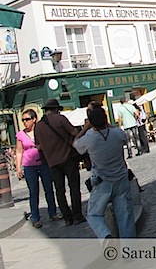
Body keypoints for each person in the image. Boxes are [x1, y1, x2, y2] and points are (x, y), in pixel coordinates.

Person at [74, 106, 136, 240]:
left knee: (94, 215)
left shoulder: (89, 139)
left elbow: (76, 144)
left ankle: (105, 235)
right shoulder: (117, 133)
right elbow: (124, 137)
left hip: (103, 182)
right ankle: (129, 250)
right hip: (121, 179)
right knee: (125, 217)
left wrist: (85, 128)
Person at [34, 98, 84, 226]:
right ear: (56, 109)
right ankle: (77, 215)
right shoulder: (60, 119)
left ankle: (67, 218)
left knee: (59, 190)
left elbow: (38, 146)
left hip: (52, 162)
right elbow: (74, 132)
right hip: (67, 158)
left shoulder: (38, 126)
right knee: (74, 187)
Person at [15, 109, 59, 228]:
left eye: (27, 119)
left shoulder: (41, 131)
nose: (25, 122)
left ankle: (52, 213)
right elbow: (19, 151)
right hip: (29, 166)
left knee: (49, 189)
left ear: (34, 119)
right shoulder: (21, 135)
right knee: (33, 192)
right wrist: (18, 167)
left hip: (43, 163)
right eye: (23, 120)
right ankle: (35, 217)